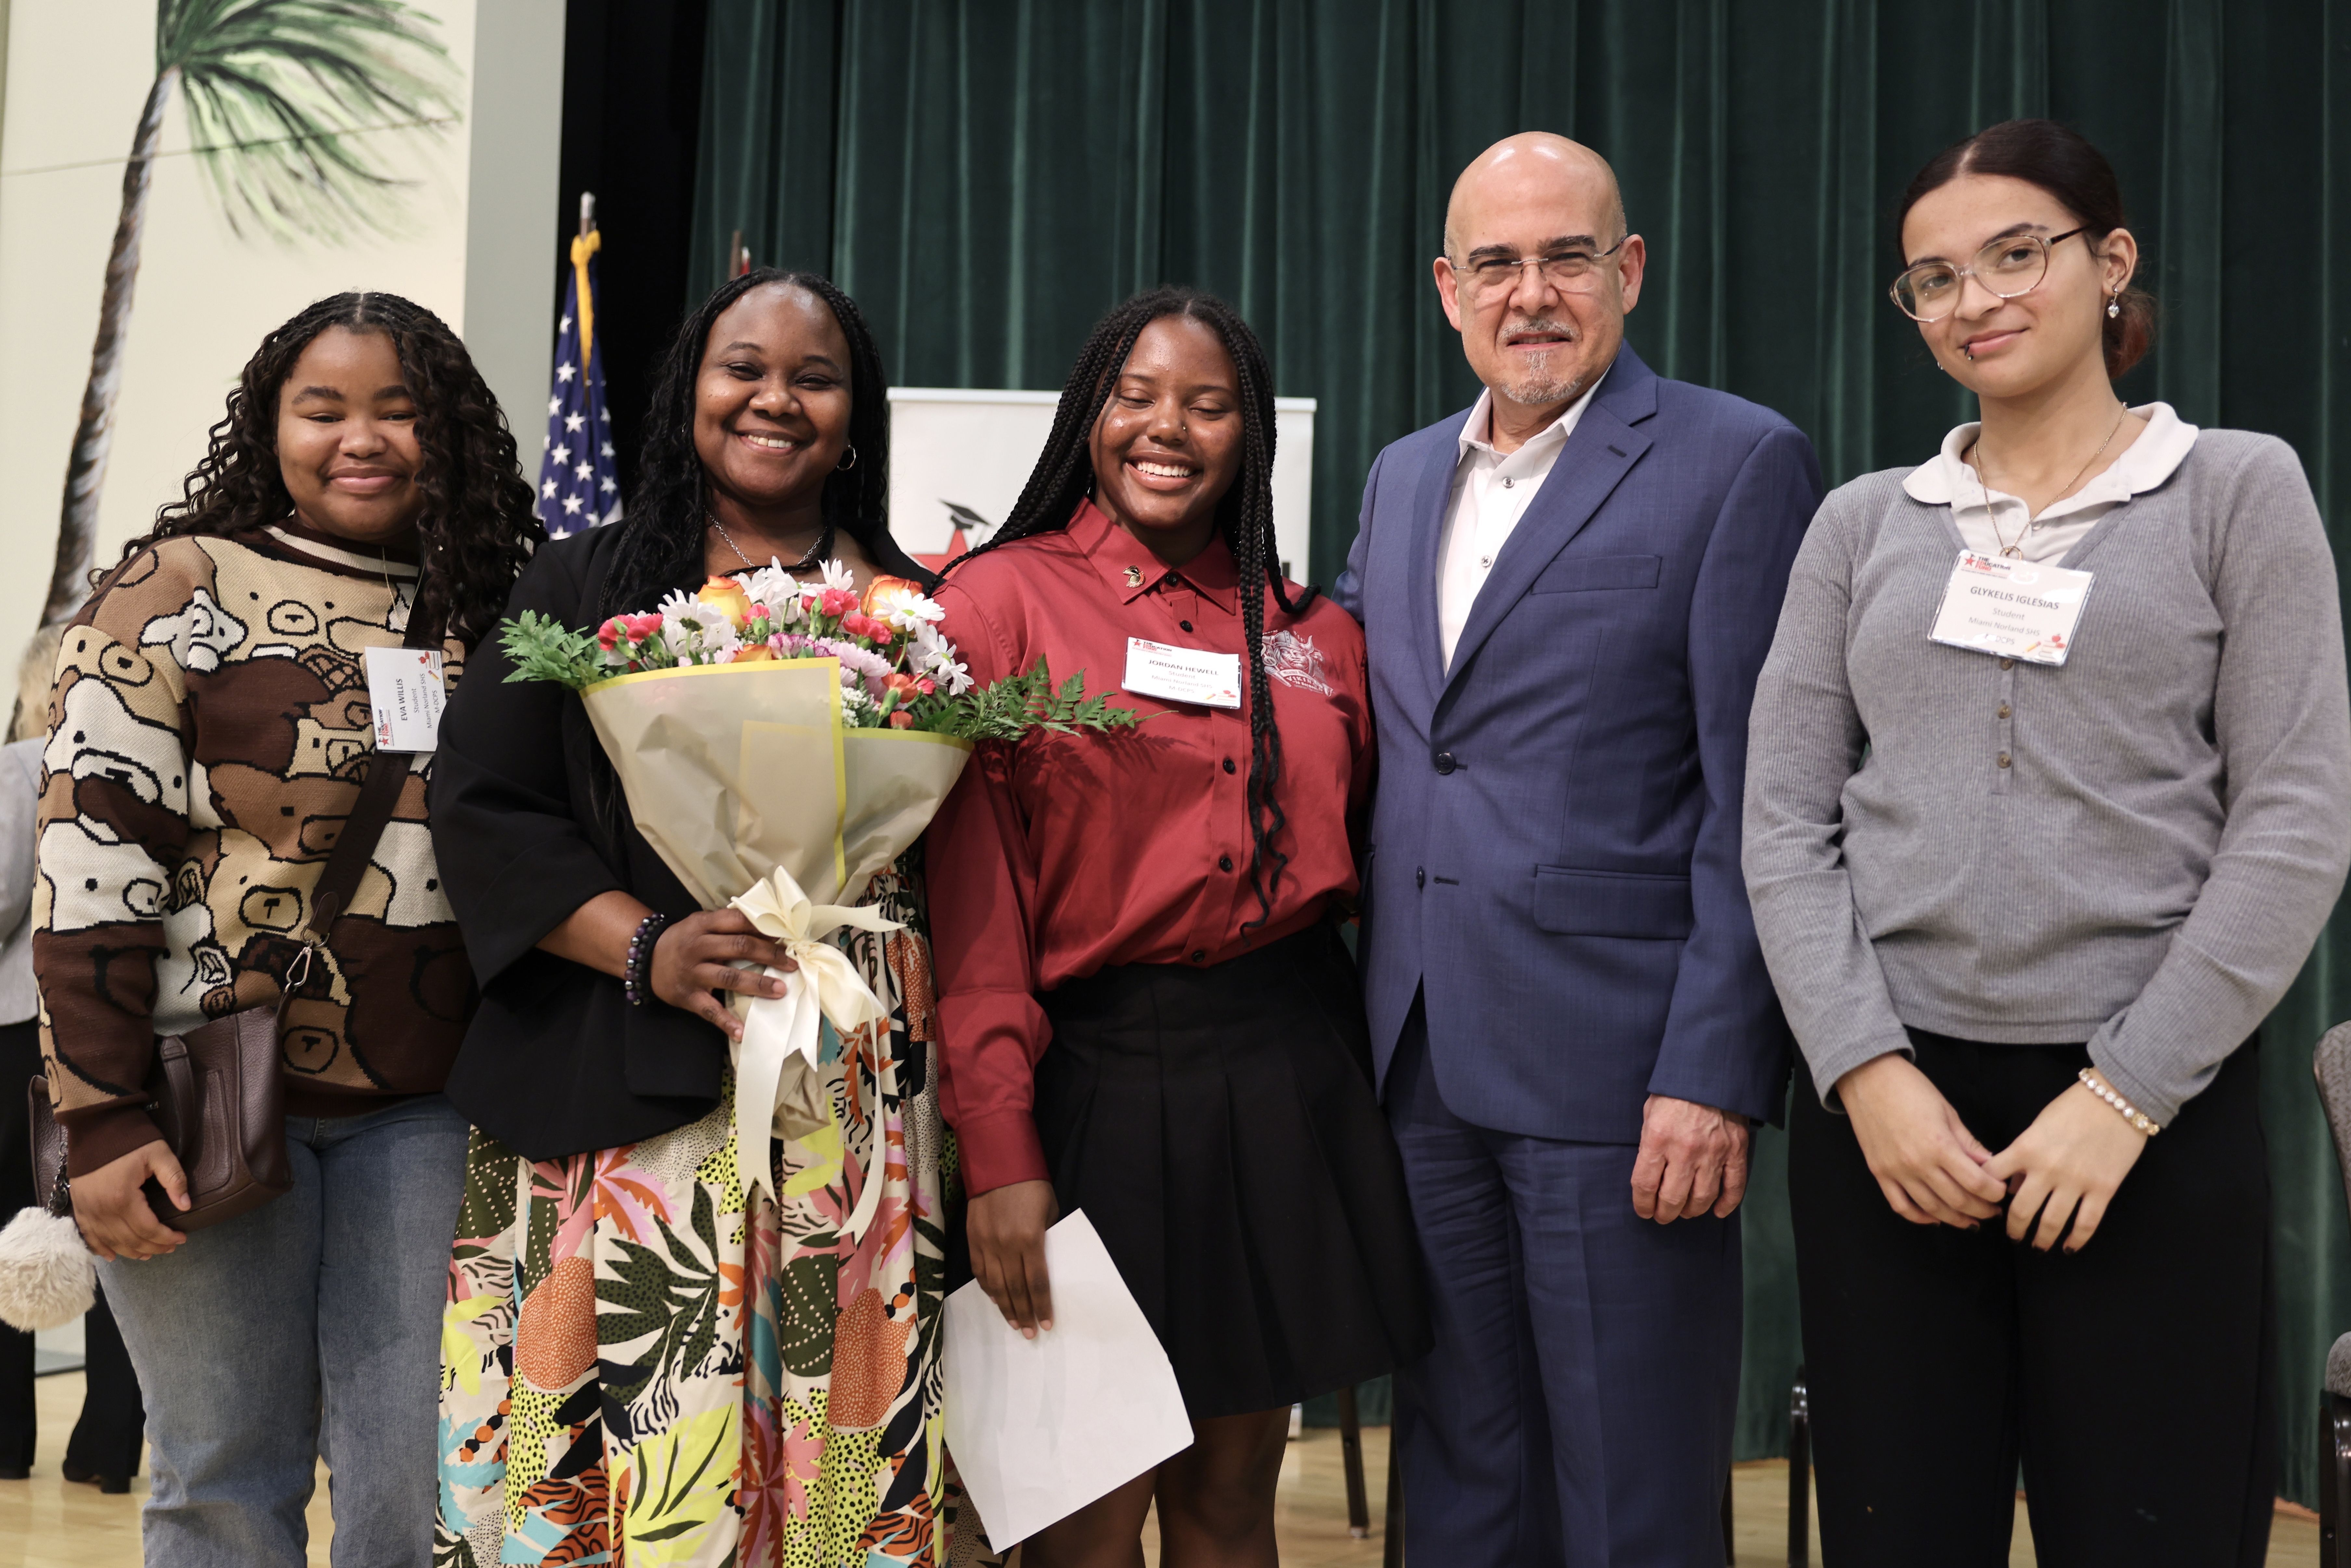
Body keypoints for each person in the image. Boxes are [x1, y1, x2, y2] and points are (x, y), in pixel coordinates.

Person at [1743, 117, 2351, 1566]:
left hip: (2148, 1113)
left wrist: (2123, 1096)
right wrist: (1862, 1072)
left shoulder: (2236, 488)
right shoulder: (1858, 526)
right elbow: (1781, 819)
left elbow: (2292, 822)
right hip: (1891, 1126)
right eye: (1934, 278)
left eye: (2015, 254)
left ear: (2109, 260)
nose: (1975, 300)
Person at [1333, 133, 1822, 1566]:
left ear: (1629, 271)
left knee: (1631, 1489)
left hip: (1624, 1077)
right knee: (1460, 1476)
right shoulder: (1401, 475)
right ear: (1446, 288)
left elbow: (1763, 796)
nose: (1529, 293)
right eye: (1494, 263)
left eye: (1565, 258)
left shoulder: (1737, 460)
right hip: (1418, 1056)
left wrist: (1712, 1069)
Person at [429, 269, 967, 1567]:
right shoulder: (583, 584)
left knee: (835, 1440)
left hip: (847, 1087)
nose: (775, 399)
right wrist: (644, 942)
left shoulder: (913, 614)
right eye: (744, 369)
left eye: (814, 378)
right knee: (636, 1450)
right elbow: (482, 804)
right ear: (689, 393)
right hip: (622, 1080)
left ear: (854, 414)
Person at [33, 292, 537, 1564]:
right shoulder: (176, 585)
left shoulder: (497, 610)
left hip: (429, 1112)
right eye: (323, 409)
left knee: (418, 1489)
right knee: (223, 1477)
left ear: (447, 432)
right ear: (271, 425)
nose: (359, 438)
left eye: (396, 410)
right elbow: (93, 855)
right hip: (198, 1095)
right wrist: (100, 1118)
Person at [927, 287, 1428, 1567]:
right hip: (1089, 1080)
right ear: (1088, 416)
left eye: (1206, 406)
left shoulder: (1316, 632)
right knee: (1081, 1521)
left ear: (1246, 435)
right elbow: (974, 905)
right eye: (1136, 397)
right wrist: (999, 1150)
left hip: (1282, 1074)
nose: (1167, 428)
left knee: (1231, 1501)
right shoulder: (996, 604)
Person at [0, 722, 144, 1493]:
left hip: (21, 1028)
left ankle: (5, 1439)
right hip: (115, 1024)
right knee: (109, 1223)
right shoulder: (138, 755)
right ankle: (107, 1448)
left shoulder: (23, 764)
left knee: (13, 1223)